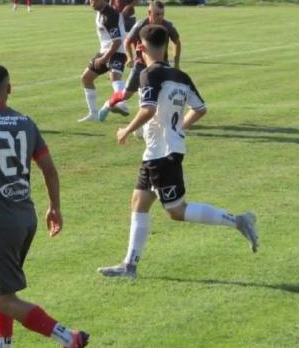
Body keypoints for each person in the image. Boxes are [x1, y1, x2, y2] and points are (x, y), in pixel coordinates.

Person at [0, 64, 90, 348]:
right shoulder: (26, 123)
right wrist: (54, 207)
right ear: (9, 89)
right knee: (2, 286)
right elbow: (49, 170)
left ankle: (67, 337)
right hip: (26, 219)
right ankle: (4, 343)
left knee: (2, 298)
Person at [97, 24, 258, 280]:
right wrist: (178, 127)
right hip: (158, 152)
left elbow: (148, 109)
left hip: (162, 155)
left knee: (177, 211)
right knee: (139, 201)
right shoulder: (181, 76)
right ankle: (129, 266)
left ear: (140, 47)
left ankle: (238, 221)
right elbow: (200, 109)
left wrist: (126, 130)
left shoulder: (149, 74)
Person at [98, 0, 181, 121]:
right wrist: (130, 58)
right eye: (157, 14)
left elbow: (177, 42)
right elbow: (127, 41)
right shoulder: (141, 25)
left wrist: (176, 62)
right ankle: (108, 105)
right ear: (149, 13)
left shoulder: (167, 26)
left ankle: (164, 119)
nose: (160, 17)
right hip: (141, 65)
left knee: (167, 92)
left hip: (161, 66)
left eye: (162, 14)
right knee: (125, 94)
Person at [79, 0, 127, 122]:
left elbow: (117, 42)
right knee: (86, 78)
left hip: (118, 51)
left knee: (115, 78)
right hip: (104, 51)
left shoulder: (109, 16)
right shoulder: (101, 12)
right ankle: (93, 113)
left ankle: (122, 104)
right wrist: (103, 57)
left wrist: (105, 59)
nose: (93, 2)